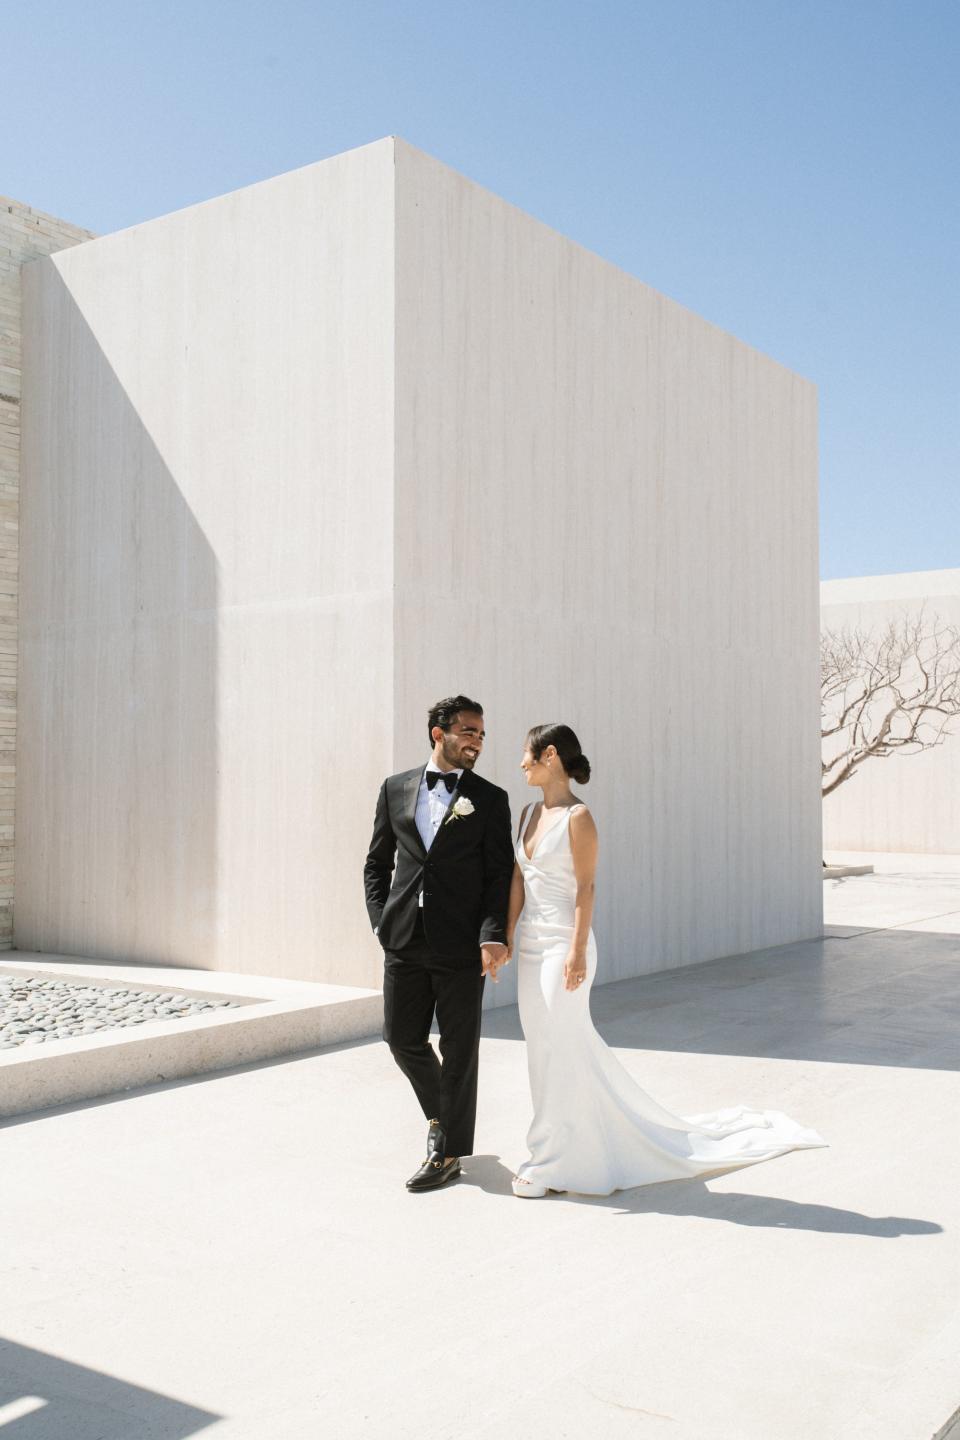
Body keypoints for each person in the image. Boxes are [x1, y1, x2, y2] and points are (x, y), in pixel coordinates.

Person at [506, 722, 827, 1198]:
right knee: (541, 1048)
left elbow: (586, 888)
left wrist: (576, 951)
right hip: (530, 948)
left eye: (526, 755)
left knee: (565, 1048)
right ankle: (551, 1147)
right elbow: (518, 880)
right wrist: (507, 938)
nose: (521, 763)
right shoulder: (528, 812)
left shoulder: (580, 818)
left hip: (564, 947)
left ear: (549, 755)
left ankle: (558, 1162)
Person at [364, 695, 514, 1191]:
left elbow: (498, 876)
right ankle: (442, 1121)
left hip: (461, 945)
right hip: (404, 938)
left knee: (459, 1048)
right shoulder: (395, 788)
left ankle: (446, 1153)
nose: (476, 741)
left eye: (481, 734)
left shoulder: (490, 799)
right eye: (468, 731)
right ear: (438, 733)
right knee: (400, 1038)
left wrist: (493, 936)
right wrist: (380, 922)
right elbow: (376, 863)